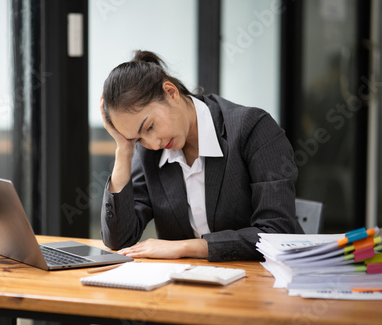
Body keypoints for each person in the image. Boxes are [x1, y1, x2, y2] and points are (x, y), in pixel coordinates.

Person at [100, 50, 303, 262]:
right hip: (191, 285)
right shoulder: (150, 152)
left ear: (170, 92)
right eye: (138, 139)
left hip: (266, 280)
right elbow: (119, 239)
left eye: (150, 127)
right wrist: (124, 148)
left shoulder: (253, 128)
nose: (152, 143)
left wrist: (187, 247)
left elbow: (276, 233)